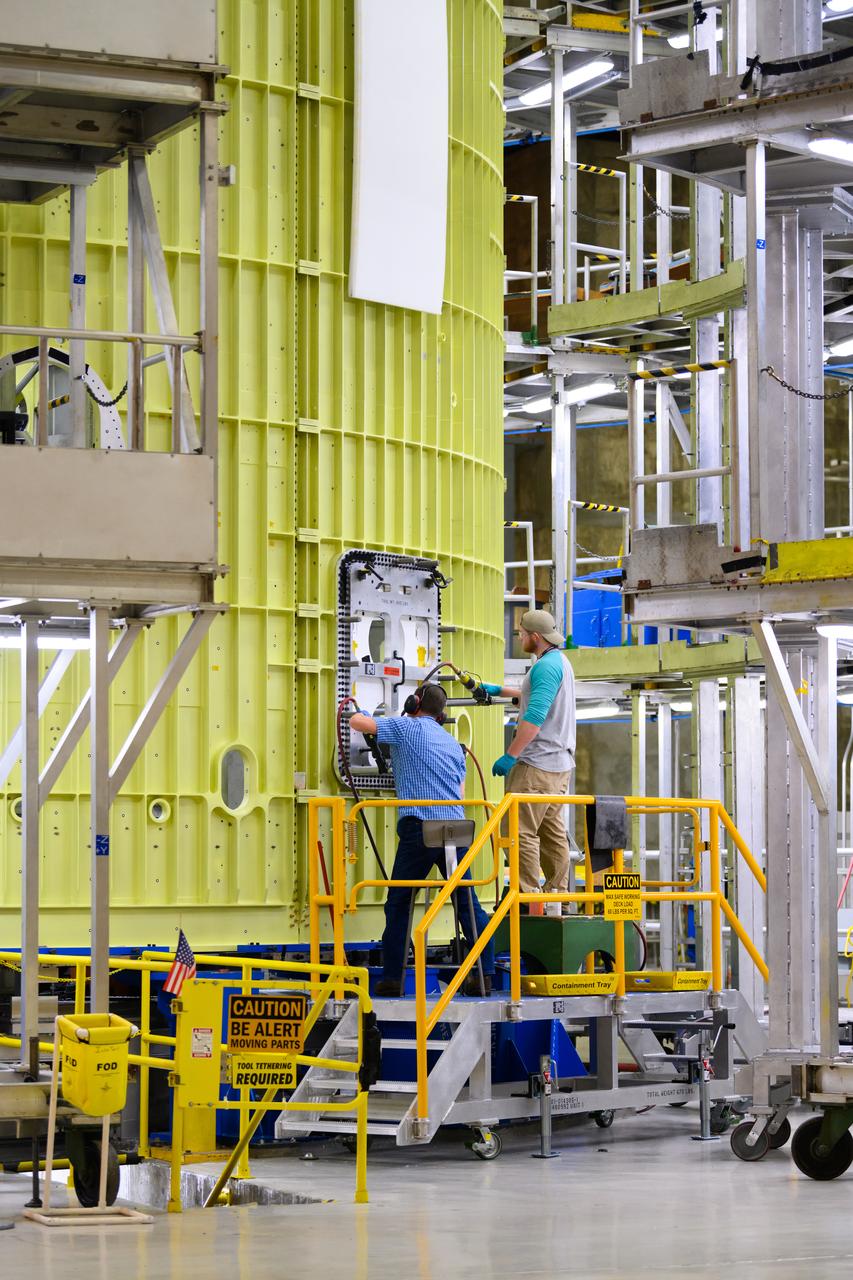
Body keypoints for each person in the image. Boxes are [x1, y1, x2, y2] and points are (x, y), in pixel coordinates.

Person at [349, 683, 496, 997]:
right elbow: (458, 793)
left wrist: (362, 711)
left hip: (422, 830)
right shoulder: (454, 745)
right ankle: (487, 972)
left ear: (413, 703)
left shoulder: (407, 727)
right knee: (466, 903)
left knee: (400, 902)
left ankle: (392, 978)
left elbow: (358, 724)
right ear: (442, 715)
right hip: (455, 830)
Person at [484, 609, 576, 898]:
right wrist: (499, 690)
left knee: (517, 830)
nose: (520, 637)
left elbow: (535, 715)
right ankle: (556, 895)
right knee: (551, 832)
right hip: (559, 766)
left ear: (535, 637)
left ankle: (526, 895)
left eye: (522, 634)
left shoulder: (545, 667)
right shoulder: (560, 662)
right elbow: (536, 697)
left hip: (536, 764)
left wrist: (511, 754)